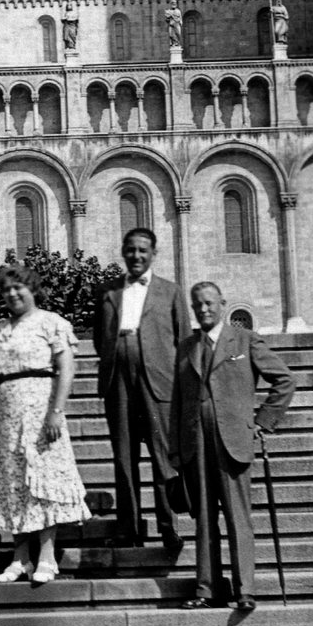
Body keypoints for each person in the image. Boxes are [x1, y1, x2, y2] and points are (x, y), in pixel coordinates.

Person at [170, 281, 295, 613]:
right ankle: (208, 588)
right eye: (197, 305)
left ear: (222, 304)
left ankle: (245, 590)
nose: (204, 309)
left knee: (239, 519)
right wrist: (174, 449)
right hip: (196, 444)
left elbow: (284, 380)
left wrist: (263, 421)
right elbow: (177, 402)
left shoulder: (244, 340)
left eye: (209, 303)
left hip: (233, 443)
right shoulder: (185, 348)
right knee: (205, 520)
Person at [0, 265, 90, 584]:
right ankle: (20, 559)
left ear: (33, 290)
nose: (13, 294)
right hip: (6, 419)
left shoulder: (51, 322)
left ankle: (46, 556)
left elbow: (66, 367)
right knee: (14, 484)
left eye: (19, 288)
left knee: (42, 482)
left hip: (40, 413)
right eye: (6, 290)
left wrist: (56, 411)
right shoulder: (0, 329)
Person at [93, 227, 191, 553]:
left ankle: (167, 528)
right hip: (118, 380)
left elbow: (184, 343)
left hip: (159, 383)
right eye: (131, 249)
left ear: (153, 254)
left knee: (163, 459)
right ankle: (128, 528)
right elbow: (99, 339)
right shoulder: (107, 291)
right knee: (124, 458)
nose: (136, 256)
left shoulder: (171, 292)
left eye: (143, 251)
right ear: (123, 251)